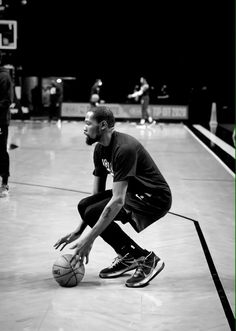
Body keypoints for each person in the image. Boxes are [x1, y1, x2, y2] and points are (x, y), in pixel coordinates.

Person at [54, 106, 172, 288]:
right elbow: (96, 198)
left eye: (87, 123)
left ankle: (146, 259)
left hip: (153, 198)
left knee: (97, 210)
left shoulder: (124, 148)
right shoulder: (100, 150)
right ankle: (127, 257)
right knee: (84, 206)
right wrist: (79, 231)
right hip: (134, 192)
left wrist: (89, 239)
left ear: (102, 125)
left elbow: (117, 201)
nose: (84, 128)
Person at [0, 51, 13, 198]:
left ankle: (4, 183)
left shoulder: (3, 76)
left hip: (0, 121)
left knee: (1, 152)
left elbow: (6, 101)